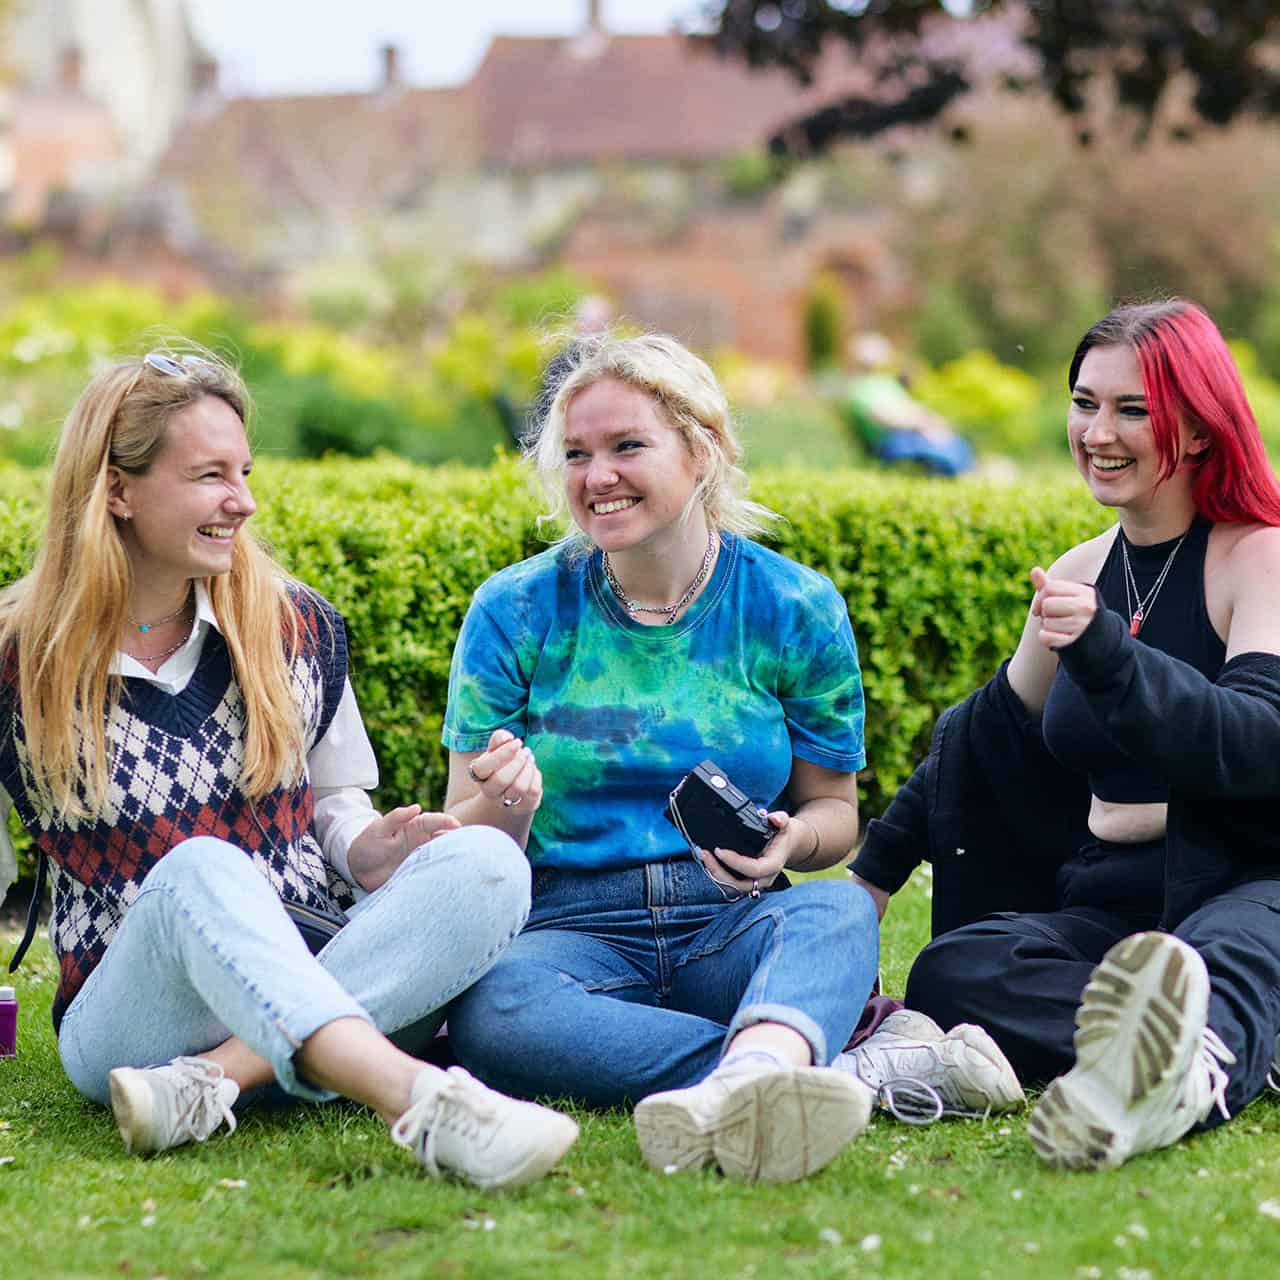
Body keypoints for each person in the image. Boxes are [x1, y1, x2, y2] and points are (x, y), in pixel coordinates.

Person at [0, 349, 578, 1189]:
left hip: (316, 961)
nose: (244, 501)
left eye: (243, 471)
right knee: (200, 865)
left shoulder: (293, 624)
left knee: (488, 862)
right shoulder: (17, 660)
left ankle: (212, 1085)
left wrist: (366, 850)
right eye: (209, 476)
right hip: (133, 1015)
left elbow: (333, 803)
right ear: (115, 491)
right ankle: (417, 1097)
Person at [438, 332, 883, 1184]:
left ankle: (756, 1069)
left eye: (626, 446)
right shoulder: (517, 610)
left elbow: (838, 815)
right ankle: (777, 1068)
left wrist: (791, 845)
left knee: (839, 918)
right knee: (496, 1010)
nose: (597, 476)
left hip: (729, 915)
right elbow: (468, 827)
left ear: (703, 450)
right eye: (576, 454)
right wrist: (509, 804)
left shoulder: (792, 606)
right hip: (569, 924)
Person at [850, 300, 1280, 1168]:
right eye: (1085, 403)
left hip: (1249, 880)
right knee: (954, 970)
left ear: (1197, 429)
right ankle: (1192, 1043)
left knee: (1224, 951)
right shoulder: (1082, 573)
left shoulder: (1256, 556)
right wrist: (867, 881)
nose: (1099, 432)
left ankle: (1190, 1066)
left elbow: (1254, 739)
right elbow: (980, 745)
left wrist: (1109, 654)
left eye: (1132, 409)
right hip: (1112, 907)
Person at [838, 333, 974, 477]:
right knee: (945, 454)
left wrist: (935, 422)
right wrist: (922, 426)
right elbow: (882, 417)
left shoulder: (887, 383)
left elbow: (912, 408)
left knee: (956, 444)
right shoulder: (861, 389)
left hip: (914, 434)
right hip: (891, 442)